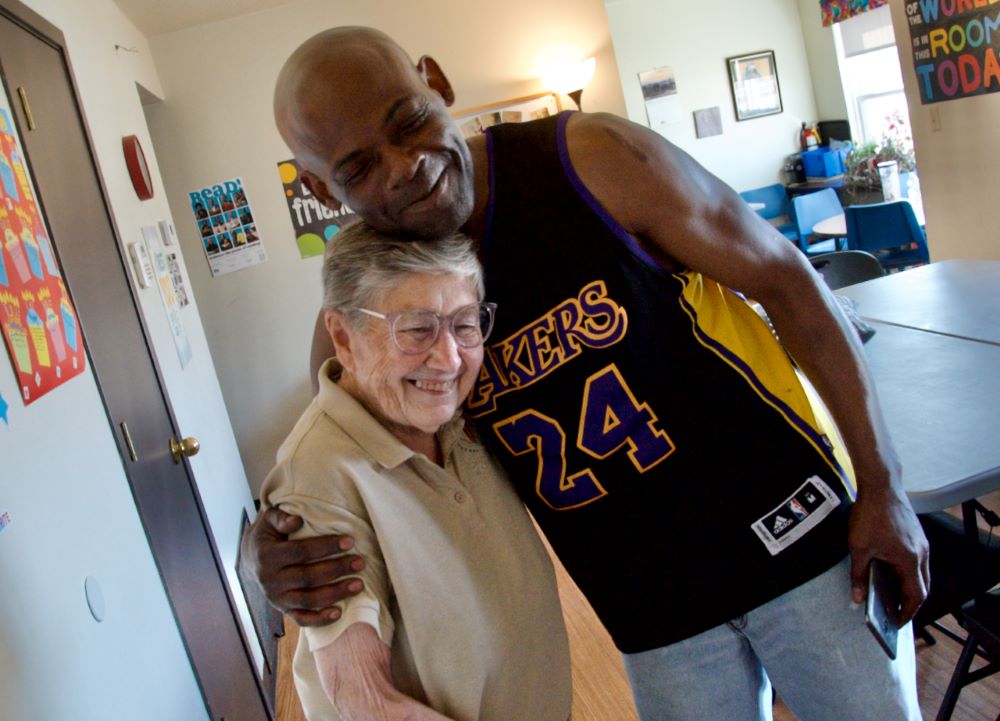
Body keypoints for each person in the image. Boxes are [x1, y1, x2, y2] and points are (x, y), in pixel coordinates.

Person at [246, 26, 930, 720]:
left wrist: (885, 484)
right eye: (359, 168)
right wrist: (265, 554)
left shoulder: (588, 160)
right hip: (649, 606)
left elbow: (790, 283)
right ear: (319, 187)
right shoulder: (368, 316)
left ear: (437, 83)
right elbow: (335, 466)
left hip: (794, 535)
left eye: (411, 121)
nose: (404, 167)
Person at [259, 221, 571, 721]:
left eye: (465, 324)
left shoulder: (469, 415)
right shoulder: (317, 477)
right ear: (343, 336)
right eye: (416, 328)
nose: (448, 358)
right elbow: (365, 702)